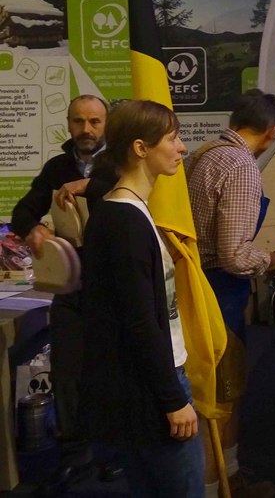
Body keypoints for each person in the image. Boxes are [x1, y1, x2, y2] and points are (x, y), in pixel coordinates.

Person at [79, 100, 203, 497]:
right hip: (153, 388)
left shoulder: (124, 212)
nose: (181, 147)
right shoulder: (124, 220)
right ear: (140, 148)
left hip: (145, 383)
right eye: (172, 138)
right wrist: (172, 398)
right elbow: (139, 320)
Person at [9, 94, 122, 495]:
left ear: (106, 124)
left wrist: (87, 185)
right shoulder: (56, 168)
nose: (86, 129)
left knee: (112, 370)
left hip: (114, 285)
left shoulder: (119, 161)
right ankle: (75, 453)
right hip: (71, 288)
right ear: (69, 123)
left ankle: (113, 452)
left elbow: (129, 192)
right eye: (78, 121)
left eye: (94, 121)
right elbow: (23, 212)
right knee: (68, 373)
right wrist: (34, 229)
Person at [186, 89, 275, 497]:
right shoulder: (241, 166)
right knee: (221, 401)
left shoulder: (203, 155)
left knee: (213, 396)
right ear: (271, 132)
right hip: (221, 293)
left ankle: (226, 480)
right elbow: (234, 255)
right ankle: (220, 487)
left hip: (197, 286)